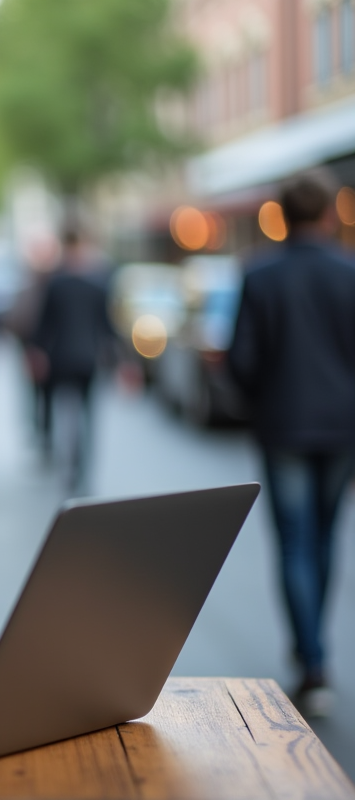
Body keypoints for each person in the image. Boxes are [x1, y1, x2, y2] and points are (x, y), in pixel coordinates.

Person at [227, 169, 355, 718]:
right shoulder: (350, 273)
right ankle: (315, 653)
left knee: (294, 542)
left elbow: (241, 360)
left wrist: (262, 401)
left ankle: (312, 660)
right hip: (342, 426)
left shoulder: (261, 276)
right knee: (326, 537)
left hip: (283, 425)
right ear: (329, 212)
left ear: (281, 214)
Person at [31, 227, 114, 491]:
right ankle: (79, 467)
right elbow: (107, 327)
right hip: (81, 359)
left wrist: (38, 350)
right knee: (80, 417)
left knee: (73, 416)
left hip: (68, 359)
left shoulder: (59, 284)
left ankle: (76, 467)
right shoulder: (95, 284)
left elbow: (44, 325)